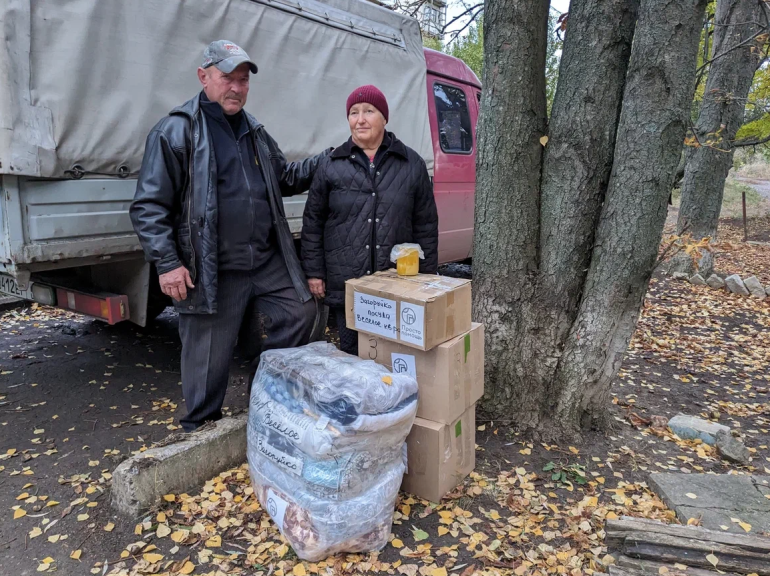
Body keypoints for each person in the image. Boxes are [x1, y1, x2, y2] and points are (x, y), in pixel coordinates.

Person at [130, 40, 328, 431]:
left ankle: (264, 396)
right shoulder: (176, 131)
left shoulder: (254, 132)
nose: (236, 87)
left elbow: (284, 178)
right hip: (213, 267)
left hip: (264, 261)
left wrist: (330, 157)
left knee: (302, 310)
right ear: (204, 77)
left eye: (243, 80)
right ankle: (199, 428)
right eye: (227, 78)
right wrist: (168, 263)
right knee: (207, 359)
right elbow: (148, 206)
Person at [301, 85, 439, 355]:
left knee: (393, 351)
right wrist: (314, 272)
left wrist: (428, 275)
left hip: (397, 282)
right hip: (348, 281)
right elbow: (313, 222)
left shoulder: (411, 164)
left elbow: (426, 223)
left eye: (369, 111)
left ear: (384, 118)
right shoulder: (331, 164)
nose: (360, 119)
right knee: (353, 352)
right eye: (353, 112)